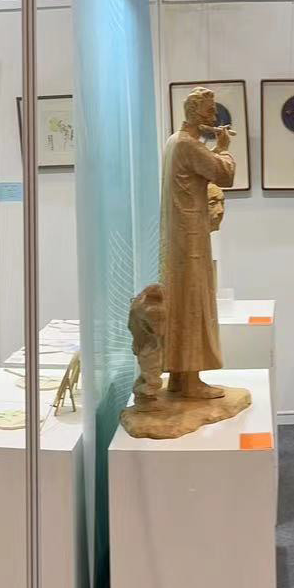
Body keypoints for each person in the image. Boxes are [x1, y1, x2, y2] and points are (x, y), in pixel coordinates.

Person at [123, 86, 248, 438]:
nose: (214, 117)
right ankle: (190, 381)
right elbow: (224, 174)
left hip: (182, 234)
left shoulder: (174, 142)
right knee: (193, 301)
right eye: (209, 112)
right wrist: (223, 147)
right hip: (189, 236)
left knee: (185, 301)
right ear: (194, 113)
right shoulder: (187, 144)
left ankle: (181, 377)